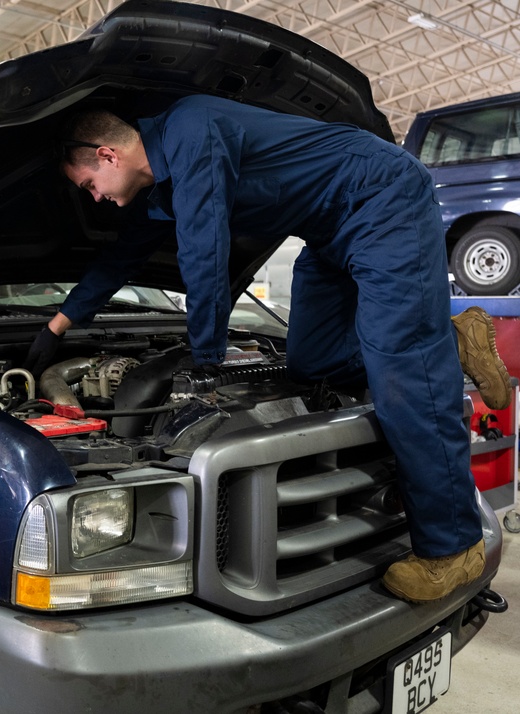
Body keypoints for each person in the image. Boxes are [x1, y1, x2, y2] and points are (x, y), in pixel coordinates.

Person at [26, 96, 512, 603]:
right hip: (328, 233)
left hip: (383, 197)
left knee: (403, 377)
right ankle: (451, 340)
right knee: (312, 361)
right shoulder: (160, 191)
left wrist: (206, 354)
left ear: (107, 156)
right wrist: (56, 328)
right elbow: (118, 259)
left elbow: (204, 247)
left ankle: (452, 548)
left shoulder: (191, 128)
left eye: (89, 186)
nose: (95, 199)